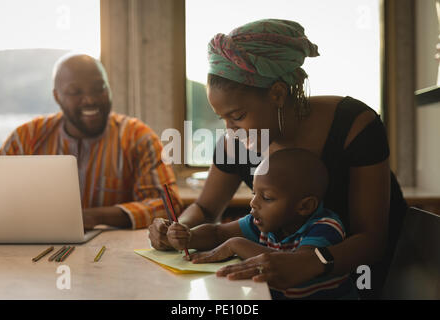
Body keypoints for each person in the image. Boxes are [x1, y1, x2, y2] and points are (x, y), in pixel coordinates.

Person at [149, 19, 407, 299]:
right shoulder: (238, 140)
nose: (229, 131)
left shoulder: (354, 126)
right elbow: (205, 208)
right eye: (222, 118)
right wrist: (178, 231)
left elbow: (371, 240)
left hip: (364, 280)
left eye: (237, 116)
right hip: (287, 285)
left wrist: (311, 262)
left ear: (277, 94)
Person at [0, 53, 182, 230]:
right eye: (75, 92)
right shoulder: (26, 138)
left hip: (109, 253)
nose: (90, 99)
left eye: (99, 88)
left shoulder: (138, 137)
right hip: (34, 248)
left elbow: (167, 205)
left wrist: (93, 217)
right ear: (57, 97)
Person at [168, 148, 358, 299]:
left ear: (305, 206)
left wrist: (237, 244)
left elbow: (293, 265)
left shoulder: (325, 227)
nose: (253, 203)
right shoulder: (262, 223)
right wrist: (189, 236)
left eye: (266, 197)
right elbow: (217, 233)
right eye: (254, 193)